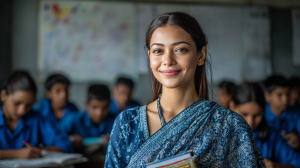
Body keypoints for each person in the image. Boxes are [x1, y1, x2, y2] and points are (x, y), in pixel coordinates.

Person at [104, 12, 265, 168]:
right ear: (150, 57)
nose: (167, 60)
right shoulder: (127, 123)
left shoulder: (230, 125)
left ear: (201, 55)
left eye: (180, 49)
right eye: (158, 51)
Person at [0, 71, 73, 159]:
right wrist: (17, 154)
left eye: (28, 105)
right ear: (3, 96)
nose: (22, 111)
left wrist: (38, 151)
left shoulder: (36, 119)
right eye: (17, 103)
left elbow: (65, 144)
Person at [230, 83, 300, 168]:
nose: (250, 122)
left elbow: (296, 162)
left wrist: (277, 166)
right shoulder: (218, 135)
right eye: (244, 114)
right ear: (232, 106)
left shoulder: (271, 136)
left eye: (257, 115)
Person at [61, 84, 116, 151]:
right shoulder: (73, 119)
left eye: (105, 107)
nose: (99, 113)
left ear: (110, 104)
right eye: (94, 107)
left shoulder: (117, 122)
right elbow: (56, 138)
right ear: (87, 104)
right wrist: (70, 139)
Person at [264, 75, 300, 149]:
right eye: (279, 95)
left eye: (287, 94)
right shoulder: (260, 116)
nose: (285, 99)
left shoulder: (295, 112)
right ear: (267, 96)